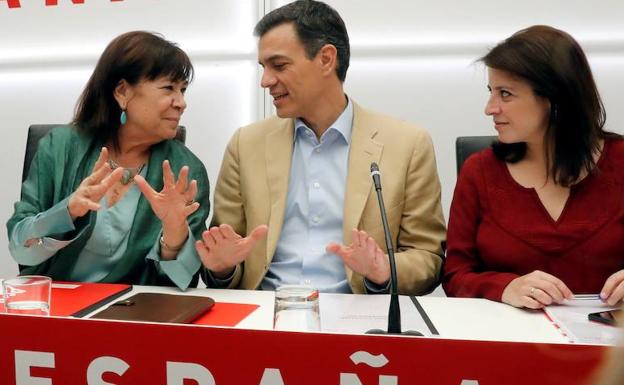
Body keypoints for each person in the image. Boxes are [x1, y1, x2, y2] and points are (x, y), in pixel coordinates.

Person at [196, 0, 445, 294]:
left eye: (279, 65)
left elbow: (428, 258)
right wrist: (221, 267)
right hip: (264, 314)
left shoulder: (407, 145)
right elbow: (225, 255)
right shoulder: (246, 144)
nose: (265, 81)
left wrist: (382, 270)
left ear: (326, 59)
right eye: (263, 67)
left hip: (357, 317)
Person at [7, 31, 209, 290]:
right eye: (169, 88)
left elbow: (181, 281)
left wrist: (173, 235)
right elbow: (19, 248)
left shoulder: (186, 170)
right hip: (54, 305)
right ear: (123, 92)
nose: (181, 103)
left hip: (133, 314)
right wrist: (67, 211)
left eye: (183, 90)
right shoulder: (59, 147)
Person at [443, 25, 624, 308]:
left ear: (554, 100)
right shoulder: (479, 171)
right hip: (509, 341)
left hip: (611, 345)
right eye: (491, 91)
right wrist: (506, 287)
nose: (490, 108)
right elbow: (455, 275)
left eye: (505, 94)